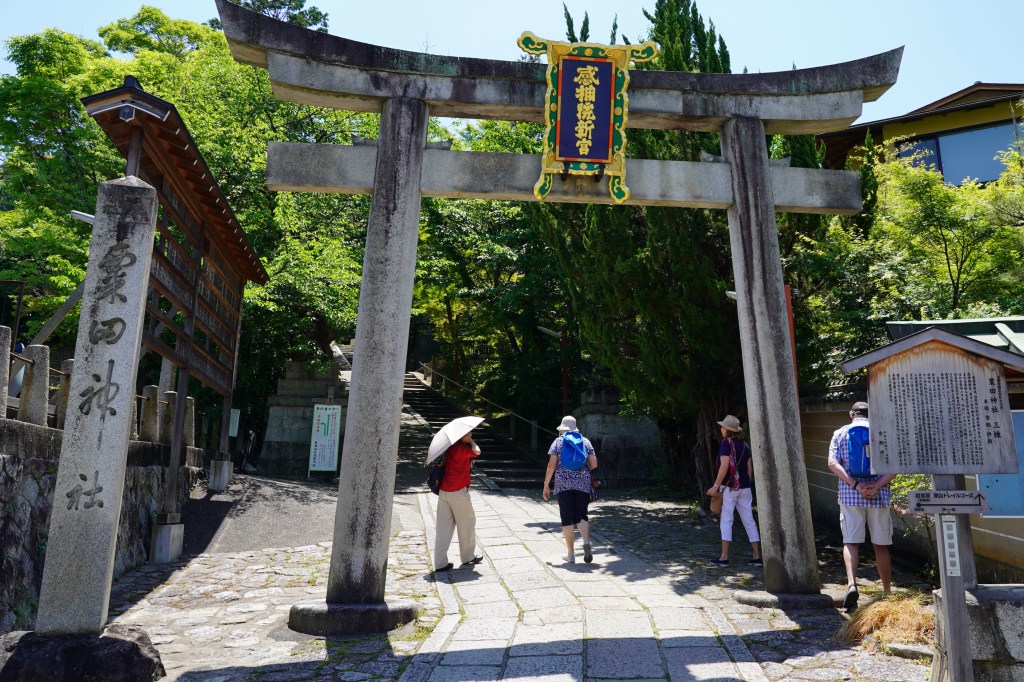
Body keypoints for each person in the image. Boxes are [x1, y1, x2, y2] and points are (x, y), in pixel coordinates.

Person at [827, 401, 895, 611]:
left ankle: (851, 584)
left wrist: (856, 485)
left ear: (851, 415)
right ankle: (886, 591)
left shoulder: (840, 433)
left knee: (851, 542)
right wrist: (876, 486)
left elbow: (832, 463)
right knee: (880, 546)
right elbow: (895, 466)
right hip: (879, 495)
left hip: (850, 496)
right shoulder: (882, 433)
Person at [706, 415, 762, 568]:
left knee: (726, 520)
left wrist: (715, 486)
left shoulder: (726, 443)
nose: (721, 429)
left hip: (729, 487)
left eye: (723, 427)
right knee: (749, 520)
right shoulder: (745, 445)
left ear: (728, 430)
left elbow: (724, 467)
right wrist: (745, 483)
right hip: (745, 487)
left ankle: (724, 557)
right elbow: (749, 469)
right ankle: (756, 557)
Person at [543, 416, 598, 564]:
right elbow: (594, 464)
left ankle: (571, 555)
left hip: (563, 483)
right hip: (583, 482)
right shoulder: (585, 441)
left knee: (566, 517)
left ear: (562, 429)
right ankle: (586, 541)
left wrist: (546, 485)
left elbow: (551, 465)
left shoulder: (558, 441)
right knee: (582, 514)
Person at [434, 431, 484, 571]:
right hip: (458, 492)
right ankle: (467, 556)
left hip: (444, 491)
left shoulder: (450, 448)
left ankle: (440, 563)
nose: (470, 435)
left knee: (443, 529)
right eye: (468, 434)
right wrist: (471, 442)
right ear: (461, 436)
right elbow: (477, 451)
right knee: (467, 524)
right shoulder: (461, 449)